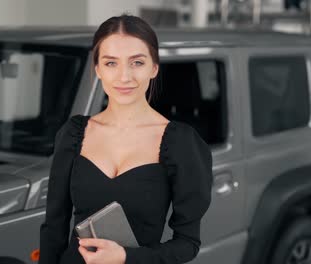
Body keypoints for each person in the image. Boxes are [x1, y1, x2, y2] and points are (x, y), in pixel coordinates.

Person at [38, 14, 213, 264]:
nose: (124, 77)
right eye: (111, 63)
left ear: (154, 67)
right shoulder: (74, 134)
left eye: (137, 62)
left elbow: (187, 244)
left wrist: (125, 257)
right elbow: (53, 230)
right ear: (97, 69)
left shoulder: (180, 142)